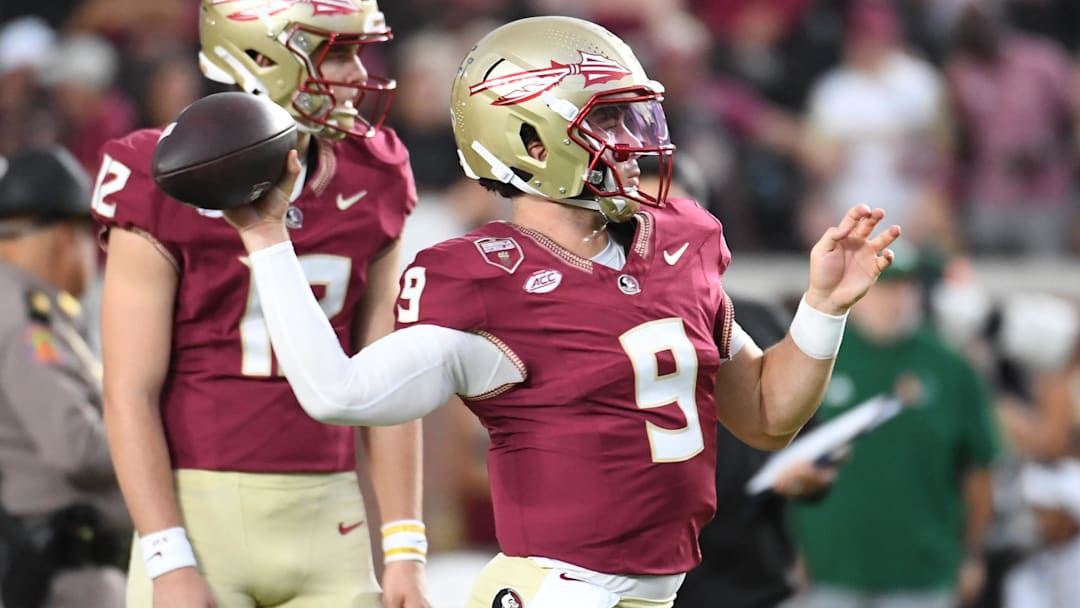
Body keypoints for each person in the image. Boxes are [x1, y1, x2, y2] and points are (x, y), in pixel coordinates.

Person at [222, 15, 900, 607]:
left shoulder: (678, 240)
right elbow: (337, 392)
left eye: (632, 114)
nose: (633, 137)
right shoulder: (486, 277)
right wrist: (266, 238)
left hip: (661, 591)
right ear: (532, 142)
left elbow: (767, 413)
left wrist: (822, 309)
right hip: (558, 591)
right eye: (605, 117)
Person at [90, 1, 429, 607]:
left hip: (332, 516)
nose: (358, 75)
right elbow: (128, 389)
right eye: (339, 54)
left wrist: (405, 549)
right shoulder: (157, 175)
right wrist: (168, 557)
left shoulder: (376, 172)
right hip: (199, 514)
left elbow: (390, 382)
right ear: (261, 55)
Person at [785, 245, 1002, 608]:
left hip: (922, 570)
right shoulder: (816, 356)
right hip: (831, 565)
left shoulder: (951, 367)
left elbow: (980, 469)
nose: (894, 299)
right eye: (882, 286)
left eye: (904, 286)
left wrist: (973, 553)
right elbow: (785, 458)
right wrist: (790, 549)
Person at [0, 145, 129, 607]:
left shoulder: (26, 307)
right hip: (61, 573)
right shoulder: (23, 319)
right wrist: (147, 439)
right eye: (86, 236)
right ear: (62, 238)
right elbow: (74, 445)